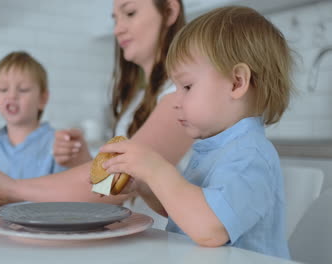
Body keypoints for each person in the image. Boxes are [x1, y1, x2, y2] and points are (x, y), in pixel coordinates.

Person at [0, 0, 193, 206]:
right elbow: (118, 183)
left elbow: (118, 182)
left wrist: (12, 188)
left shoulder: (184, 96)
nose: (118, 29)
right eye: (115, 18)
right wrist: (85, 161)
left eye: (129, 13)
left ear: (170, 11)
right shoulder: (136, 103)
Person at [99, 6, 292, 258]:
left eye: (187, 86)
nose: (176, 100)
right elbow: (184, 212)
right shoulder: (214, 148)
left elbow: (209, 228)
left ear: (237, 82)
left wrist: (157, 169)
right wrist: (145, 186)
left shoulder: (249, 155)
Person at [0, 51, 66, 203]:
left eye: (23, 89)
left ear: (42, 99)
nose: (12, 95)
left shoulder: (58, 144)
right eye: (3, 89)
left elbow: (65, 196)